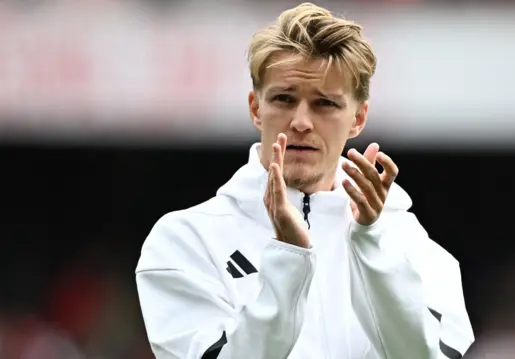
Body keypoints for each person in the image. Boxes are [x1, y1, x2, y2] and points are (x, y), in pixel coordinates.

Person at [135, 3, 474, 358]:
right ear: (255, 108)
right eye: (284, 98)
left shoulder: (409, 244)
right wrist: (289, 259)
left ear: (358, 118)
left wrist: (371, 243)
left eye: (324, 103)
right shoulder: (185, 240)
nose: (300, 121)